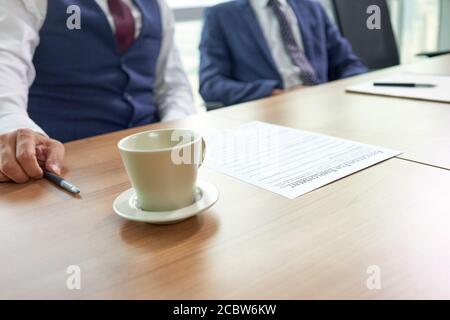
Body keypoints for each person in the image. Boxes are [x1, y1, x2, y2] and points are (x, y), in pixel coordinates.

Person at [0, 0, 196, 183]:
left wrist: (174, 137)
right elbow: (6, 62)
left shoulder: (158, 5)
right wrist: (13, 124)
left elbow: (174, 87)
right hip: (67, 167)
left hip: (153, 165)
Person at [199, 0, 368, 107]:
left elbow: (350, 64)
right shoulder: (220, 16)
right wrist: (272, 93)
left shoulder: (313, 8)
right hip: (270, 112)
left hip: (324, 104)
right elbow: (210, 84)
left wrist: (341, 93)